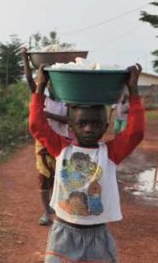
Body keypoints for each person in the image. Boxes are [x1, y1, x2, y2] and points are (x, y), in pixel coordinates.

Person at [30, 64, 145, 263]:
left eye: (96, 124)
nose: (89, 129)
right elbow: (36, 125)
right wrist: (40, 87)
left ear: (106, 126)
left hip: (97, 236)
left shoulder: (110, 153)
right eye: (82, 124)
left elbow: (135, 133)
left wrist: (133, 91)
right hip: (63, 234)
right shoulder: (62, 148)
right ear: (71, 126)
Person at [22, 48, 71, 226]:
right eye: (49, 82)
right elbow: (29, 79)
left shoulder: (69, 99)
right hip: (43, 143)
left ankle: (61, 209)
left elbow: (70, 119)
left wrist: (48, 115)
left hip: (63, 143)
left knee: (62, 178)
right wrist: (25, 58)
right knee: (43, 178)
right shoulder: (43, 98)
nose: (51, 85)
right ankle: (46, 213)